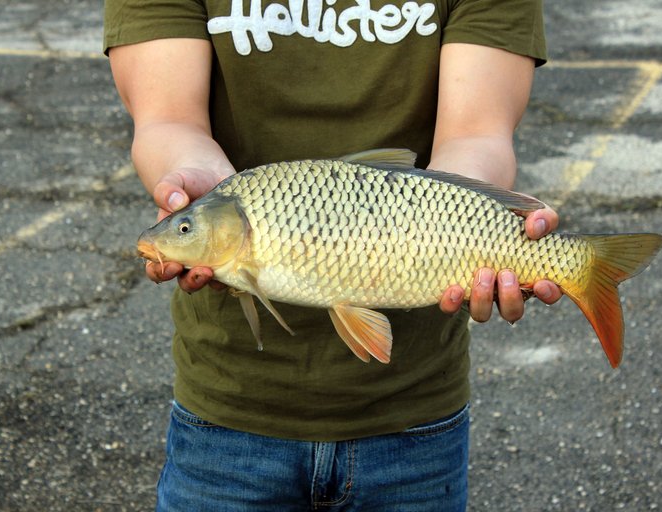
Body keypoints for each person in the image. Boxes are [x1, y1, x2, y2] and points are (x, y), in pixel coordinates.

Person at [104, 0, 562, 509]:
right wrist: (184, 177)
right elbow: (166, 119)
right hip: (226, 408)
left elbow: (477, 133)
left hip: (415, 410)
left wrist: (477, 232)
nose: (171, 232)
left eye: (184, 229)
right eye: (184, 229)